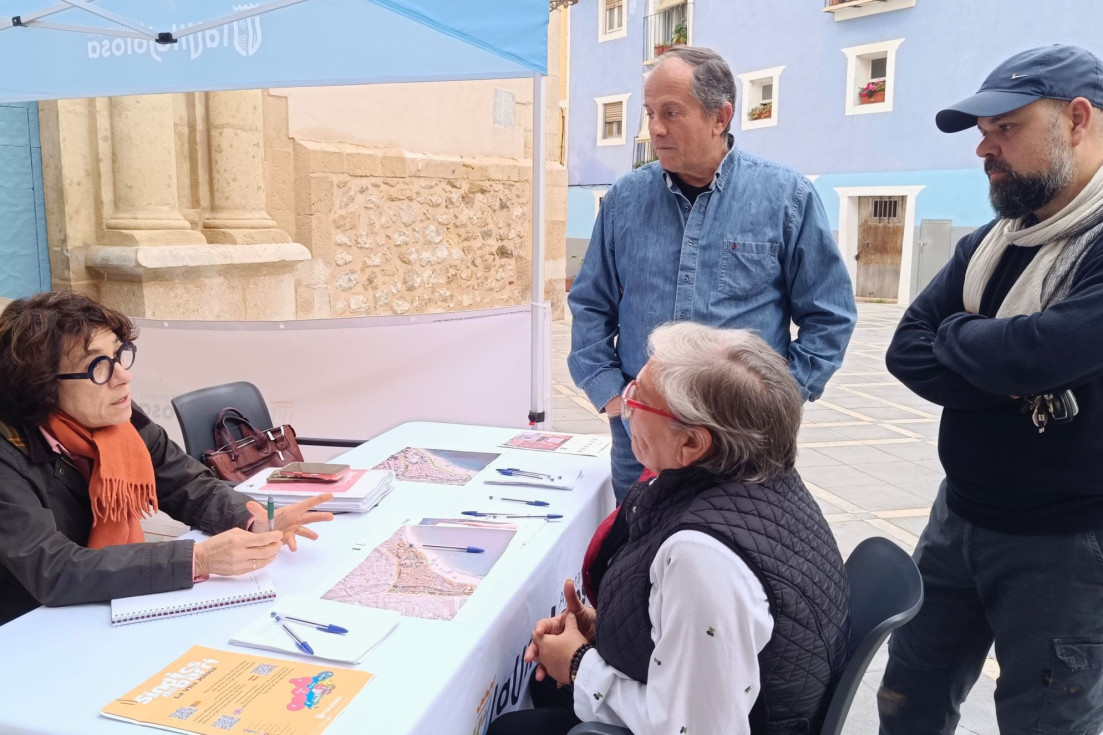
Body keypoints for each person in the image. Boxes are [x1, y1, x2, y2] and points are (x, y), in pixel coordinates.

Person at [878, 45, 1103, 734]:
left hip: (1063, 545)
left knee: (1045, 719)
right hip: (956, 520)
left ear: (1076, 119)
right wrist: (1003, 365)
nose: (984, 147)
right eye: (982, 132)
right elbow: (903, 350)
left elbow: (1040, 353)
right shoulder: (987, 243)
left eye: (1004, 127)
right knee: (907, 697)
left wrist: (970, 342)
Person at [490, 322, 850, 735]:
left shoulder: (703, 556)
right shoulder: (760, 481)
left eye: (637, 398)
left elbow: (696, 729)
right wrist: (601, 629)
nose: (625, 405)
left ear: (693, 444)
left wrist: (579, 664)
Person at [568, 46, 857, 503]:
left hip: (741, 439)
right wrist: (612, 397)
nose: (655, 129)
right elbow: (590, 303)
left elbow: (831, 315)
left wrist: (776, 401)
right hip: (642, 433)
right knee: (639, 556)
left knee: (739, 554)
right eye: (649, 113)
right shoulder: (624, 199)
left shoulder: (787, 197)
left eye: (671, 113)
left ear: (720, 117)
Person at [0, 291, 335, 626]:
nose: (123, 377)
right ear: (42, 387)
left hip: (99, 607)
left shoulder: (121, 423)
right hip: (26, 627)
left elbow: (189, 485)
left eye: (119, 355)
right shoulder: (8, 454)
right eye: (97, 367)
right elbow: (52, 569)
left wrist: (253, 519)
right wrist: (197, 559)